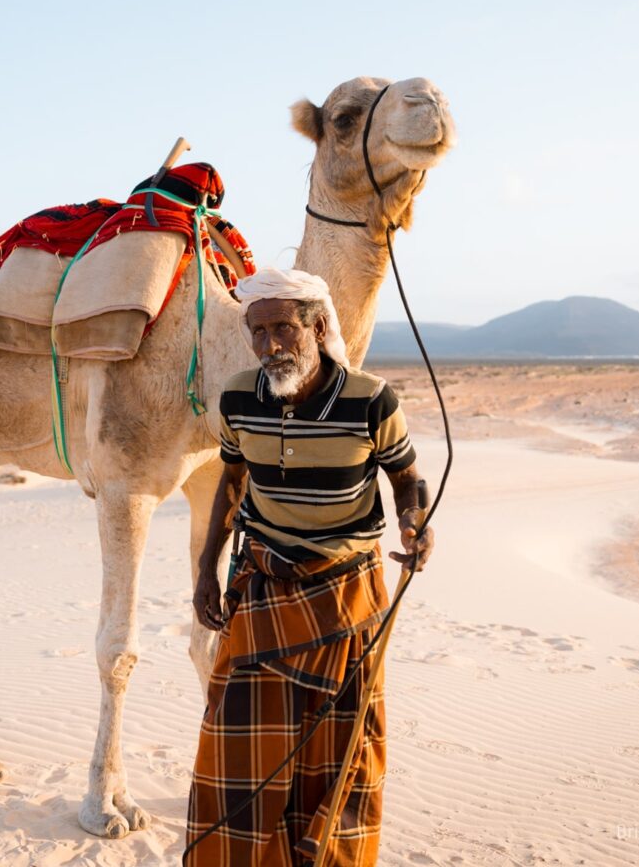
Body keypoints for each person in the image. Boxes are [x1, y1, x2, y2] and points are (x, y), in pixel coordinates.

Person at [184, 267, 432, 866]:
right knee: (233, 748)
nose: (269, 346)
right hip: (264, 591)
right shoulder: (238, 399)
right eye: (258, 331)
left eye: (282, 330)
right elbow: (233, 483)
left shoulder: (374, 401)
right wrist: (205, 572)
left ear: (317, 328)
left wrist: (415, 523)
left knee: (339, 754)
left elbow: (407, 480)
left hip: (346, 600)